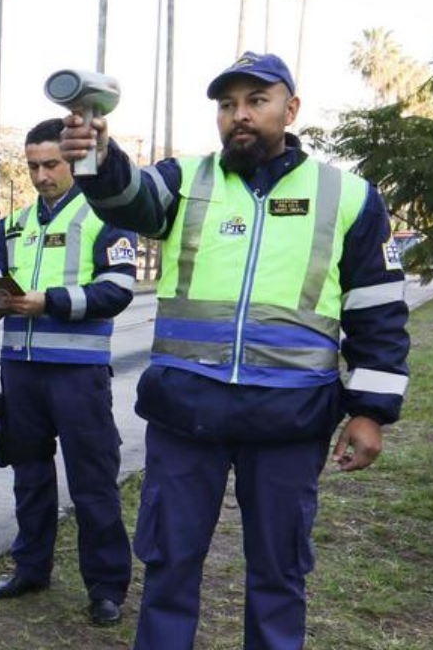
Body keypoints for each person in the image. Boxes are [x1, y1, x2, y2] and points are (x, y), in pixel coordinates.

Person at [59, 52, 410, 650]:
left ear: (290, 109)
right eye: (227, 105)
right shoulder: (185, 179)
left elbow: (377, 312)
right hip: (186, 412)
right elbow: (129, 199)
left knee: (278, 574)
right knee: (168, 563)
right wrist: (95, 153)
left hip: (290, 417)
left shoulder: (347, 196)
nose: (239, 115)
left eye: (256, 101)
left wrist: (370, 411)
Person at [0, 118, 137, 626]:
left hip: (77, 372)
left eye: (51, 164)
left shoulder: (103, 218)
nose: (41, 176)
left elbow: (117, 291)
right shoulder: (12, 225)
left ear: (71, 162)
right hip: (20, 370)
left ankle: (106, 588)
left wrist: (48, 302)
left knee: (93, 482)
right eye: (32, 166)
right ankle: (31, 567)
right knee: (28, 475)